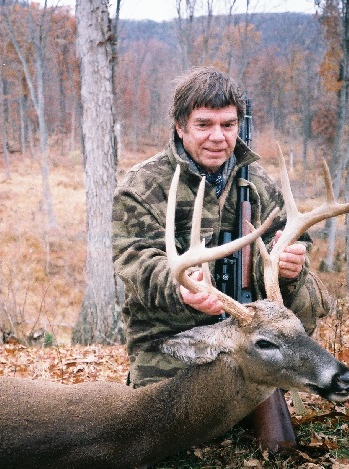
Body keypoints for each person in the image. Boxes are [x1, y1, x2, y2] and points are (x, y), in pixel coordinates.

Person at [112, 66, 330, 389]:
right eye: (204, 125)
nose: (218, 136)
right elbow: (135, 259)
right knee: (169, 427)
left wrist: (287, 264)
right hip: (174, 335)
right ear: (180, 126)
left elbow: (291, 242)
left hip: (248, 337)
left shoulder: (259, 184)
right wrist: (181, 287)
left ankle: (270, 387)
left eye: (228, 125)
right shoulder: (142, 186)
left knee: (306, 287)